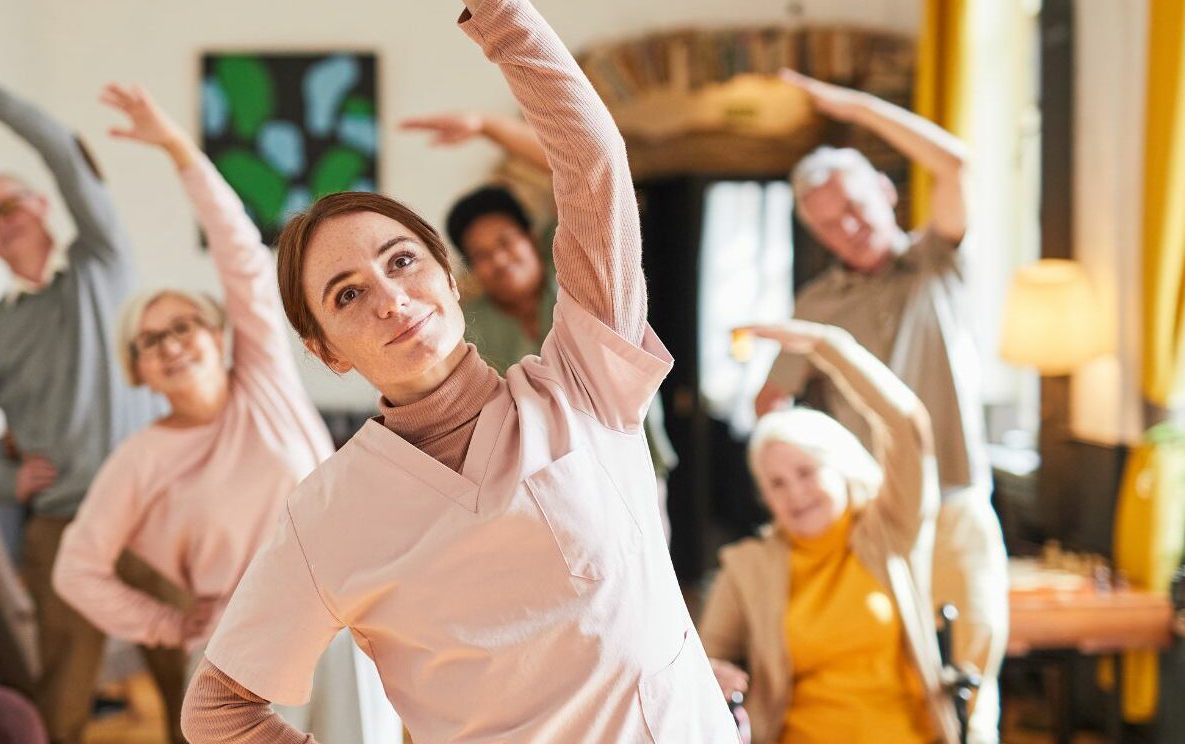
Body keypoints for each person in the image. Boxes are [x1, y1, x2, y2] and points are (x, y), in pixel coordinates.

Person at [179, 1, 737, 741]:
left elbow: (593, 161)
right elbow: (218, 710)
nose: (390, 298)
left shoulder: (581, 382)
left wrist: (503, 16)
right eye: (348, 294)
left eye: (402, 261)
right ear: (327, 350)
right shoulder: (326, 515)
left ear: (450, 280)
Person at [50, 84, 398, 744]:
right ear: (138, 370)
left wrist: (180, 148)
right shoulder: (139, 459)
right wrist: (168, 624)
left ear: (219, 336)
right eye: (152, 340)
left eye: (185, 325)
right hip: (240, 648)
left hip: (340, 618)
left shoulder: (262, 383)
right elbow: (77, 569)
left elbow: (240, 252)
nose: (173, 342)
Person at [0, 64, 171, 744]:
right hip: (60, 534)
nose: (0, 225)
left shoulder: (102, 266)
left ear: (43, 206)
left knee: (198, 690)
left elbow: (61, 150)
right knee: (62, 711)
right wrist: (4, 481)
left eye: (10, 206)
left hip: (153, 520)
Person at [754, 69, 1008, 743]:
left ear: (887, 192)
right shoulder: (815, 306)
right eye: (829, 222)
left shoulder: (936, 262)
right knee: (891, 689)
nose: (849, 226)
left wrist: (855, 108)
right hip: (870, 525)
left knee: (968, 696)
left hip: (955, 504)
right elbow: (773, 405)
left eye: (857, 206)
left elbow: (955, 163)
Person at [402, 112, 680, 535]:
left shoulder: (573, 275)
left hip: (631, 460)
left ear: (530, 238)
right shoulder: (471, 326)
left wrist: (488, 128)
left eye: (504, 242)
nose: (498, 259)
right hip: (543, 492)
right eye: (481, 254)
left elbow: (582, 172)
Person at [702, 321, 962, 744]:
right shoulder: (747, 566)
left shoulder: (889, 531)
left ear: (839, 468)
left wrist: (831, 346)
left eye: (806, 472)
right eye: (777, 484)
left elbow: (908, 426)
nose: (795, 494)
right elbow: (705, 658)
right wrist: (714, 672)